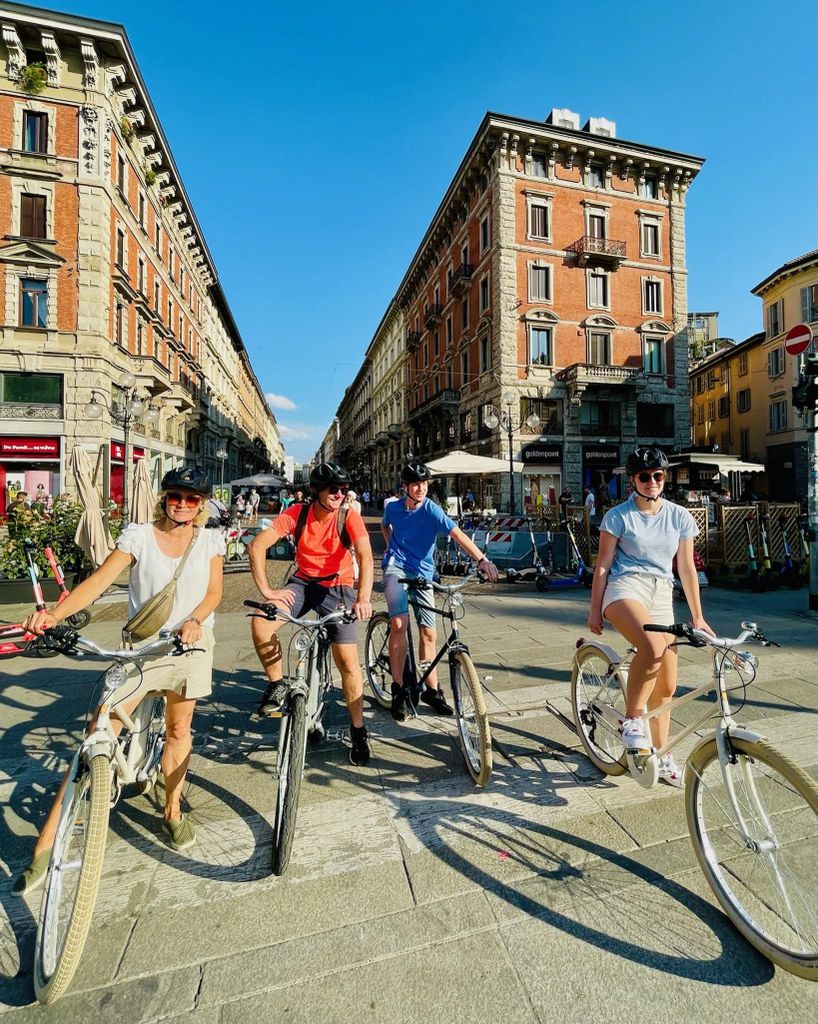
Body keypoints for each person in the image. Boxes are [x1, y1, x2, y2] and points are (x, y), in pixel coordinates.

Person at [14, 468, 225, 893]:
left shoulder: (209, 541)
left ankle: (171, 811)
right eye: (175, 496)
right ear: (164, 498)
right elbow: (98, 581)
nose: (181, 503)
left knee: (179, 727)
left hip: (192, 642)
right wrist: (53, 615)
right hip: (143, 647)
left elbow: (215, 592)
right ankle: (45, 843)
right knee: (96, 731)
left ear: (201, 504)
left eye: (190, 498)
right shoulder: (138, 536)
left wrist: (196, 621)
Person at [586, 446, 713, 786]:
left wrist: (698, 617)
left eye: (659, 475)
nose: (653, 482)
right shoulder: (618, 516)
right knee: (652, 648)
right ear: (633, 480)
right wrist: (594, 610)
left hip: (661, 593)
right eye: (645, 476)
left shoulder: (679, 516)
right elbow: (602, 566)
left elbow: (685, 568)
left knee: (667, 686)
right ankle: (631, 721)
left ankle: (662, 752)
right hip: (625, 588)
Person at [247, 462, 374, 766]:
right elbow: (257, 546)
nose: (340, 494)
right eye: (333, 489)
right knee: (262, 623)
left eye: (344, 489)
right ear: (316, 490)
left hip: (338, 587)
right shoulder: (297, 514)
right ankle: (277, 683)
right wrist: (267, 591)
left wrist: (363, 598)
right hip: (303, 583)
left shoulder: (349, 516)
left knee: (348, 663)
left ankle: (358, 729)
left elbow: (366, 557)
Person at [381, 461, 499, 722]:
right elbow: (385, 526)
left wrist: (482, 559)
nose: (421, 488)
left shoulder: (432, 511)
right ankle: (398, 689)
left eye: (424, 484)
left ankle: (431, 691)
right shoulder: (393, 508)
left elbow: (457, 535)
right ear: (405, 487)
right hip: (396, 568)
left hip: (423, 572)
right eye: (416, 484)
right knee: (399, 624)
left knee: (429, 632)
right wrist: (391, 548)